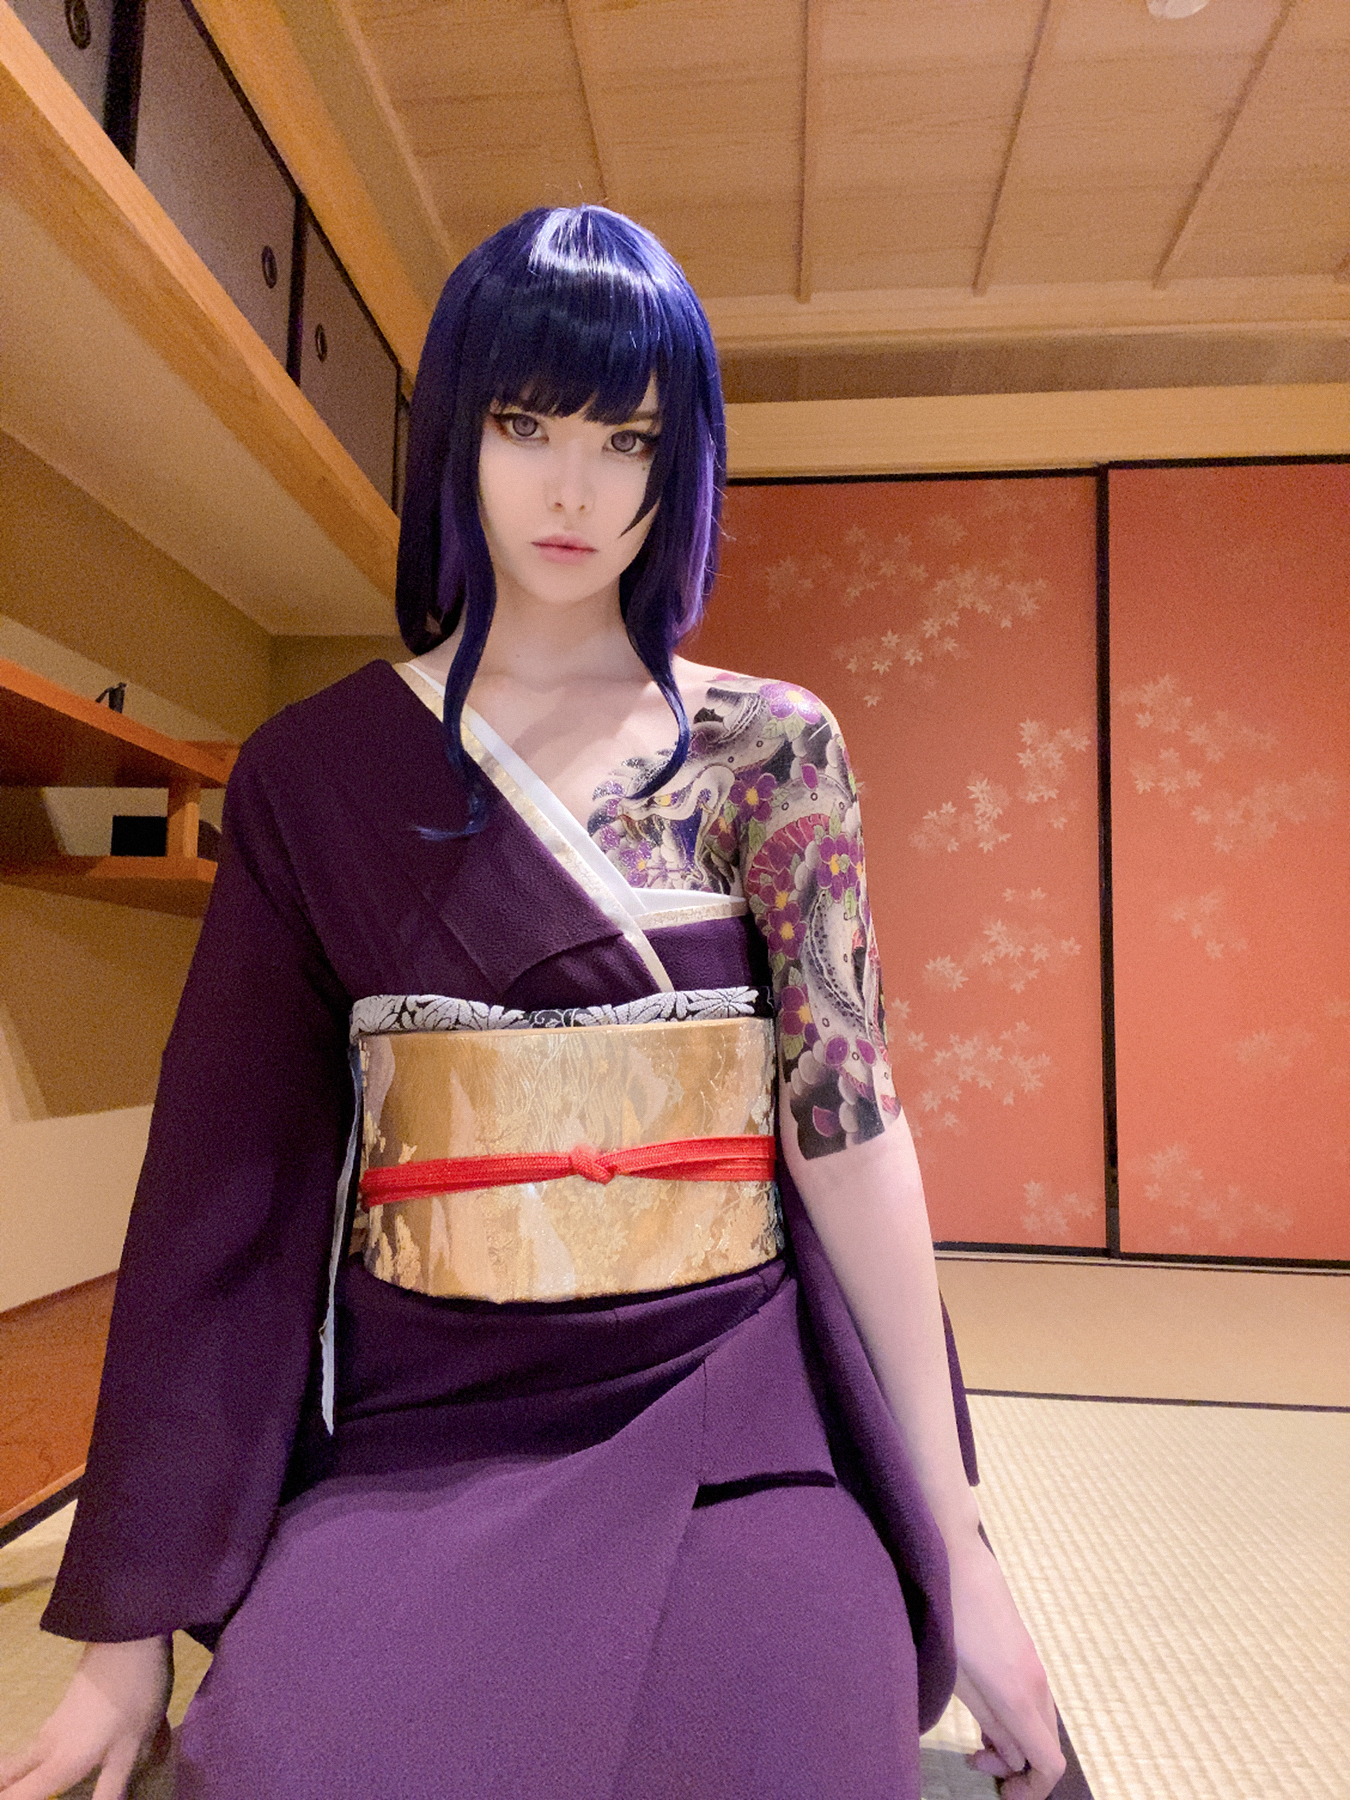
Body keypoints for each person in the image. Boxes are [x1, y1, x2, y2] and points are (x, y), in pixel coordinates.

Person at [1, 207, 1065, 1800]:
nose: (575, 489)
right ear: (456, 437)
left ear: (678, 460)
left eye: (626, 439)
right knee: (281, 1770)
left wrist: (961, 1549)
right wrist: (128, 1625)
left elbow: (848, 1133)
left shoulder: (768, 748)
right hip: (430, 1421)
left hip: (731, 1404)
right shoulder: (312, 773)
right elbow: (227, 1190)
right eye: (525, 427)